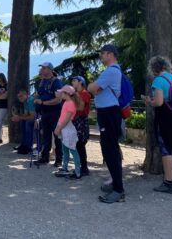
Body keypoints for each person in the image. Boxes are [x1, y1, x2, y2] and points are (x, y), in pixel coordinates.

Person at [87, 44, 125, 203]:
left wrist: (94, 86)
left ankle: (118, 190)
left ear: (110, 54)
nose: (100, 56)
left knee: (110, 151)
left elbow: (92, 88)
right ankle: (116, 185)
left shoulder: (111, 71)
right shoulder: (112, 71)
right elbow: (95, 89)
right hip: (108, 112)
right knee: (110, 150)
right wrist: (96, 88)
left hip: (108, 113)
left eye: (102, 53)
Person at [146, 56, 172, 194]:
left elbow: (159, 102)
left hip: (164, 117)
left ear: (154, 68)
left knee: (166, 149)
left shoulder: (158, 80)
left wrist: (149, 102)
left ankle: (168, 182)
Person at [33, 63, 63, 166]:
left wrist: (43, 102)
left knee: (57, 135)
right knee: (45, 135)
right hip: (44, 112)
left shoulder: (56, 82)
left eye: (44, 68)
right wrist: (36, 99)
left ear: (50, 70)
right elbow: (38, 94)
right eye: (41, 68)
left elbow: (58, 99)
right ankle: (45, 157)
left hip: (55, 112)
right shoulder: (41, 82)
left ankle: (59, 159)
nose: (42, 70)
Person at [53, 85, 84, 180]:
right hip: (64, 129)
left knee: (73, 150)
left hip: (67, 129)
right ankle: (65, 168)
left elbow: (66, 120)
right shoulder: (67, 102)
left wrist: (59, 128)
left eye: (62, 92)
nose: (60, 94)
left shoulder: (70, 104)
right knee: (65, 149)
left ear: (66, 94)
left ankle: (78, 172)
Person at [71, 76, 91, 176]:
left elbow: (81, 107)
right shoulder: (76, 93)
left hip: (81, 121)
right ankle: (80, 167)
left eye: (74, 81)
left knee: (80, 144)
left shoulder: (84, 93)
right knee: (77, 144)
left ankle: (84, 168)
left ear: (80, 82)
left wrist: (70, 106)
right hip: (76, 121)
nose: (72, 82)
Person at [10, 88, 36, 154]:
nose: (19, 98)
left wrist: (19, 117)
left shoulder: (30, 100)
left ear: (26, 94)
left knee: (28, 123)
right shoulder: (25, 101)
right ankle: (24, 144)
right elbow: (25, 114)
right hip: (33, 117)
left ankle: (28, 147)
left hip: (38, 118)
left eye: (21, 96)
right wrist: (17, 117)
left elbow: (32, 116)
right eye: (18, 97)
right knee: (23, 122)